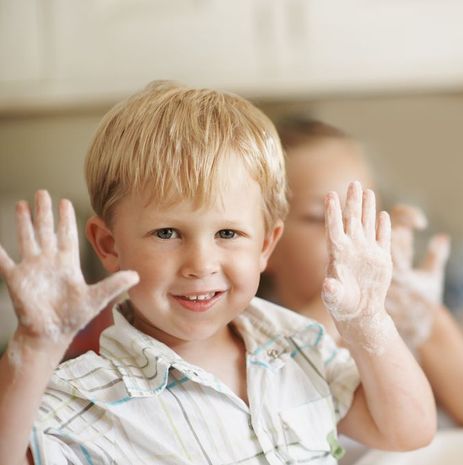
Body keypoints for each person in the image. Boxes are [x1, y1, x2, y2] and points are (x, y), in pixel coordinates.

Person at [0, 81, 436, 464]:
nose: (200, 264)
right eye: (167, 232)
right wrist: (35, 349)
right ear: (110, 246)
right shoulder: (87, 400)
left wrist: (368, 321)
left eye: (228, 232)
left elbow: (407, 431)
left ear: (266, 244)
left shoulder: (298, 348)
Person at [261, 117, 463, 428]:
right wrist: (349, 310)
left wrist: (428, 321)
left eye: (361, 209)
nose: (351, 231)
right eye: (321, 217)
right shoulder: (253, 332)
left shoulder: (395, 314)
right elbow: (272, 384)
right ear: (266, 242)